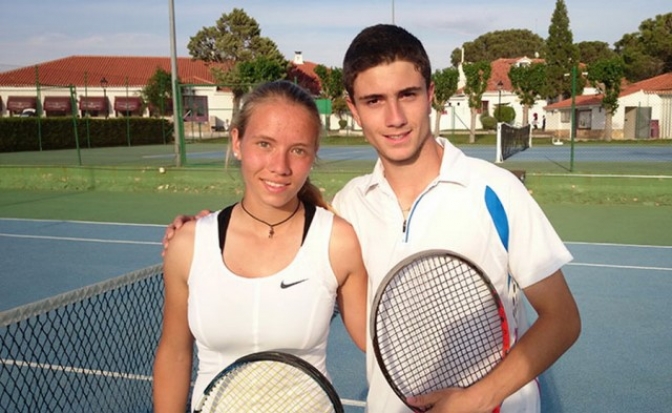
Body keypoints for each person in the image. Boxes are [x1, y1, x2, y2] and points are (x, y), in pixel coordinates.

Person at [165, 24, 581, 413]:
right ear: (354, 109)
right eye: (374, 101)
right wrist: (207, 228)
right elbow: (281, 225)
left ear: (431, 94)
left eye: (408, 95)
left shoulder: (496, 191)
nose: (394, 117)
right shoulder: (347, 208)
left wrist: (473, 400)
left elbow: (562, 320)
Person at [153, 80, 368, 413]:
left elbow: (377, 342)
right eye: (264, 144)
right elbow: (175, 352)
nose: (280, 166)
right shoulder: (190, 244)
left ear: (313, 156)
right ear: (237, 142)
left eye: (298, 149)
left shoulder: (337, 240)